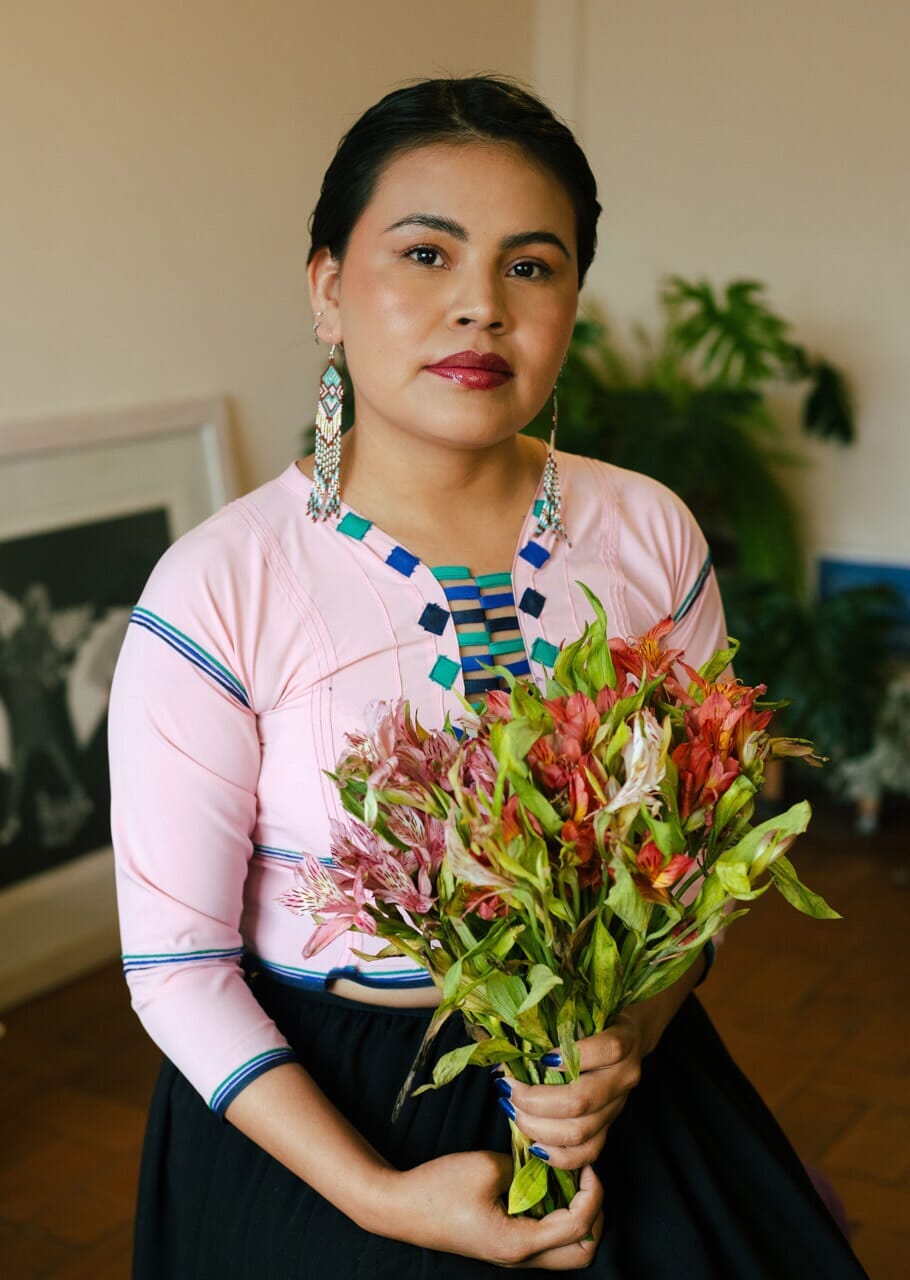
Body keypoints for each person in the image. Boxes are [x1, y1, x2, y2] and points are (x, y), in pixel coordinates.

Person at [109, 75, 868, 1278]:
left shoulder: (647, 531)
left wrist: (630, 1031)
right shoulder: (218, 587)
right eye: (424, 253)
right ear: (327, 290)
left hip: (616, 1079)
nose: (479, 308)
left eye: (531, 266)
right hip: (322, 1111)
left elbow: (705, 854)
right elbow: (175, 967)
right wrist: (381, 1198)